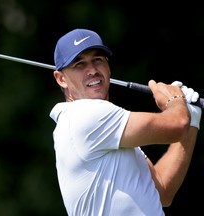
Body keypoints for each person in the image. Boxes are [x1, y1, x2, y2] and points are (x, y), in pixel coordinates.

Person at [49, 28, 202, 216]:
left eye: (98, 60)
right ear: (61, 78)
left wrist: (192, 118)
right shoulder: (85, 116)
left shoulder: (110, 130)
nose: (93, 71)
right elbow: (177, 125)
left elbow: (163, 190)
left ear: (107, 65)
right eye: (79, 64)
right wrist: (175, 101)